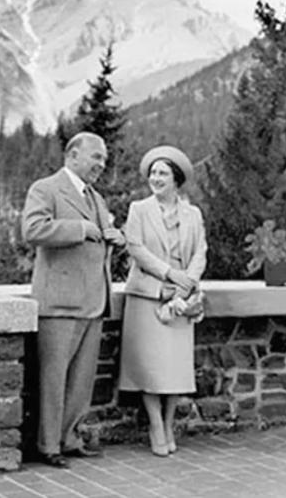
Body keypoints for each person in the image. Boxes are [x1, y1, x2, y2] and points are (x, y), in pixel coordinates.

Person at [22, 132, 125, 468]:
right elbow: (33, 231)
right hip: (59, 303)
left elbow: (99, 239)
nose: (101, 164)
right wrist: (80, 229)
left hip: (94, 302)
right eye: (96, 157)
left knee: (80, 381)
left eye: (104, 159)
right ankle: (47, 445)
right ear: (73, 154)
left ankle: (69, 438)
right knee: (53, 379)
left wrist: (115, 237)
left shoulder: (98, 199)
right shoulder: (46, 188)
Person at [118, 145, 207, 457]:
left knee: (174, 368)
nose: (155, 179)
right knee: (150, 367)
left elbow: (200, 252)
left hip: (180, 299)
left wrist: (187, 283)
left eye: (162, 173)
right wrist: (170, 275)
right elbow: (136, 249)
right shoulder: (139, 210)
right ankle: (156, 424)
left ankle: (169, 424)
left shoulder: (193, 214)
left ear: (176, 179)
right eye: (152, 173)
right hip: (148, 297)